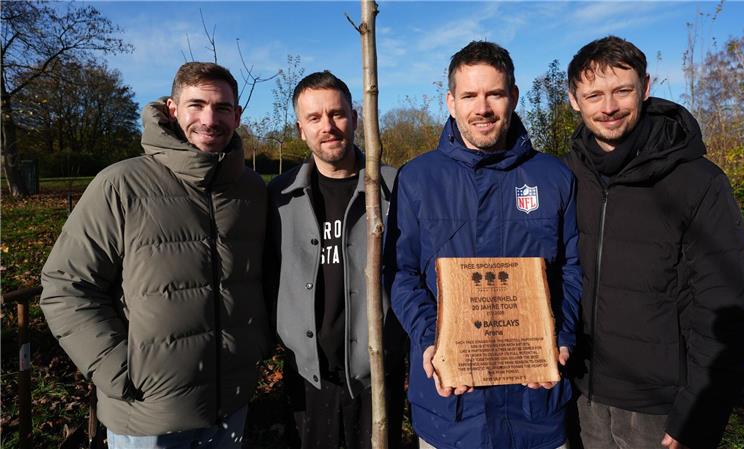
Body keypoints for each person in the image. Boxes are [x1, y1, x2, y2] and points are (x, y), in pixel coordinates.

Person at [40, 62, 269, 449]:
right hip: (147, 417)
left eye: (222, 108)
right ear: (173, 109)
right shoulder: (121, 184)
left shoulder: (250, 189)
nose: (209, 119)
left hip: (231, 406)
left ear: (238, 115)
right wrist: (118, 369)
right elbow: (66, 286)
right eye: (196, 105)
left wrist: (257, 346)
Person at [384, 41, 582, 449]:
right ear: (451, 102)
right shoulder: (417, 179)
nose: (483, 107)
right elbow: (401, 273)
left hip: (536, 408)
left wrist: (559, 334)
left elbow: (573, 268)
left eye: (494, 93)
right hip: (452, 411)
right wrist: (430, 339)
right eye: (470, 95)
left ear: (513, 96)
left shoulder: (554, 176)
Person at [564, 36, 744, 449]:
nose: (608, 106)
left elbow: (724, 306)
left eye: (622, 90)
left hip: (658, 410)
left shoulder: (697, 181)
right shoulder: (566, 178)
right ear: (574, 100)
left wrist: (698, 415)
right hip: (580, 398)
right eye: (593, 94)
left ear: (645, 88)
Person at [267, 71, 405, 449]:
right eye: (314, 118)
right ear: (300, 129)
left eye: (337, 114)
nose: (327, 126)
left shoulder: (396, 189)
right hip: (307, 376)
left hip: (376, 374)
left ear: (356, 118)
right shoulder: (279, 196)